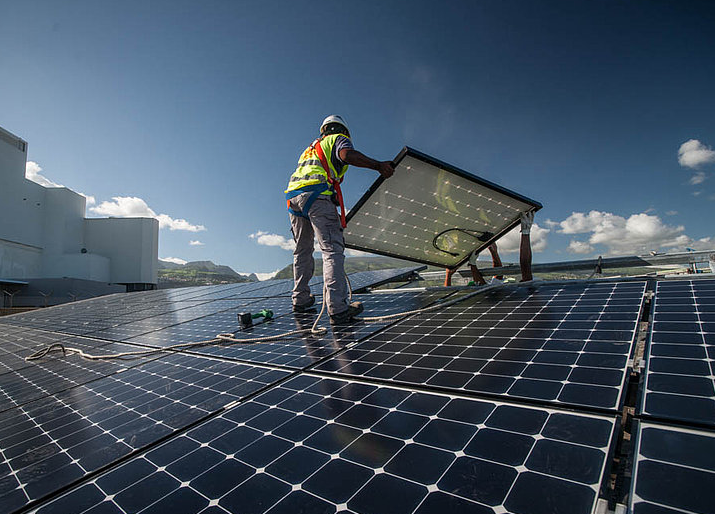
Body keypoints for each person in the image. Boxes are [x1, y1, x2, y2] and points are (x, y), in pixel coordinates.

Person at [285, 115, 395, 324]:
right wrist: (378, 165)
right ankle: (338, 308)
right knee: (331, 250)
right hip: (316, 195)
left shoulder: (310, 148)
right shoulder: (337, 138)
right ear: (342, 130)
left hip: (293, 198)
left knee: (302, 250)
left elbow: (317, 172)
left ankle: (300, 299)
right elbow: (346, 155)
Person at [443, 211, 535, 285]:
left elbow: (484, 284)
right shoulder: (495, 295)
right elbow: (525, 270)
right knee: (527, 284)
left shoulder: (492, 296)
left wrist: (449, 275)